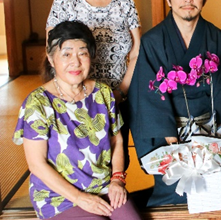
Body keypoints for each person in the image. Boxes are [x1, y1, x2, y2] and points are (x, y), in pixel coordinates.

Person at [127, 0, 221, 207]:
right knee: (172, 198)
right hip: (169, 136)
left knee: (213, 200)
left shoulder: (218, 39)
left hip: (209, 132)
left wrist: (218, 136)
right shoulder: (153, 41)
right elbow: (146, 96)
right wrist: (169, 137)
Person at [12, 21, 141, 220]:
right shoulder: (37, 102)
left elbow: (117, 141)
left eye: (83, 53)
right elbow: (36, 164)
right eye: (66, 54)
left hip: (104, 187)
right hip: (59, 197)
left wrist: (117, 179)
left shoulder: (103, 93)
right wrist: (80, 198)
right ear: (51, 58)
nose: (76, 61)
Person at [46, 0, 141, 168]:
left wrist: (121, 92)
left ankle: (115, 202)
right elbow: (53, 52)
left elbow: (137, 50)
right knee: (80, 160)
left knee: (118, 157)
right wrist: (70, 93)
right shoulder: (64, 1)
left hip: (118, 96)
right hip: (74, 98)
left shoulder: (125, 2)